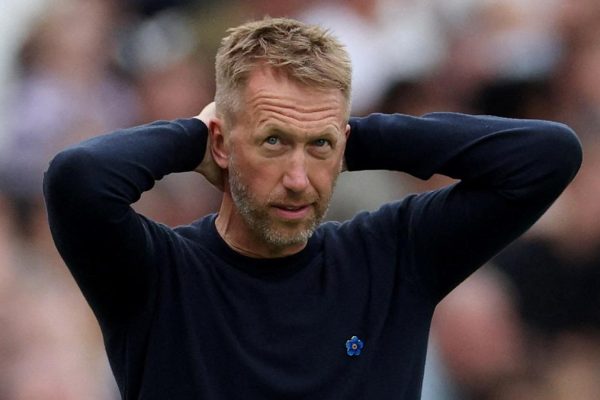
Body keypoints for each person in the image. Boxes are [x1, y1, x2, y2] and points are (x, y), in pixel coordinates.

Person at [43, 17, 582, 400]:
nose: (299, 180)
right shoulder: (157, 275)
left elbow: (547, 155)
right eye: (273, 141)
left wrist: (354, 140)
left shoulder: (395, 255)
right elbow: (79, 177)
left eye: (320, 146)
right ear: (223, 143)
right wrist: (192, 138)